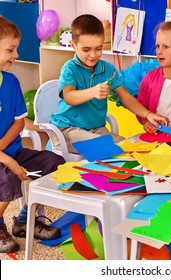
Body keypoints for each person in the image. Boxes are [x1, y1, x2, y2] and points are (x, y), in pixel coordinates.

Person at [50, 14, 168, 153]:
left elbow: (126, 97)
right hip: (67, 130)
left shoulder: (108, 69)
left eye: (98, 48)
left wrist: (147, 114)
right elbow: (69, 97)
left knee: (127, 147)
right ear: (73, 46)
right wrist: (93, 92)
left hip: (96, 130)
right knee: (105, 147)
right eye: (86, 50)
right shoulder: (70, 68)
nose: (93, 55)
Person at [0, 16, 66, 253]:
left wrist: (7, 151)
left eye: (15, 49)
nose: (15, 54)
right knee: (8, 177)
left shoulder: (11, 81)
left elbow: (19, 123)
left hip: (13, 151)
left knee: (54, 162)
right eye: (10, 49)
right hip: (5, 159)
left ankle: (24, 220)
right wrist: (8, 160)